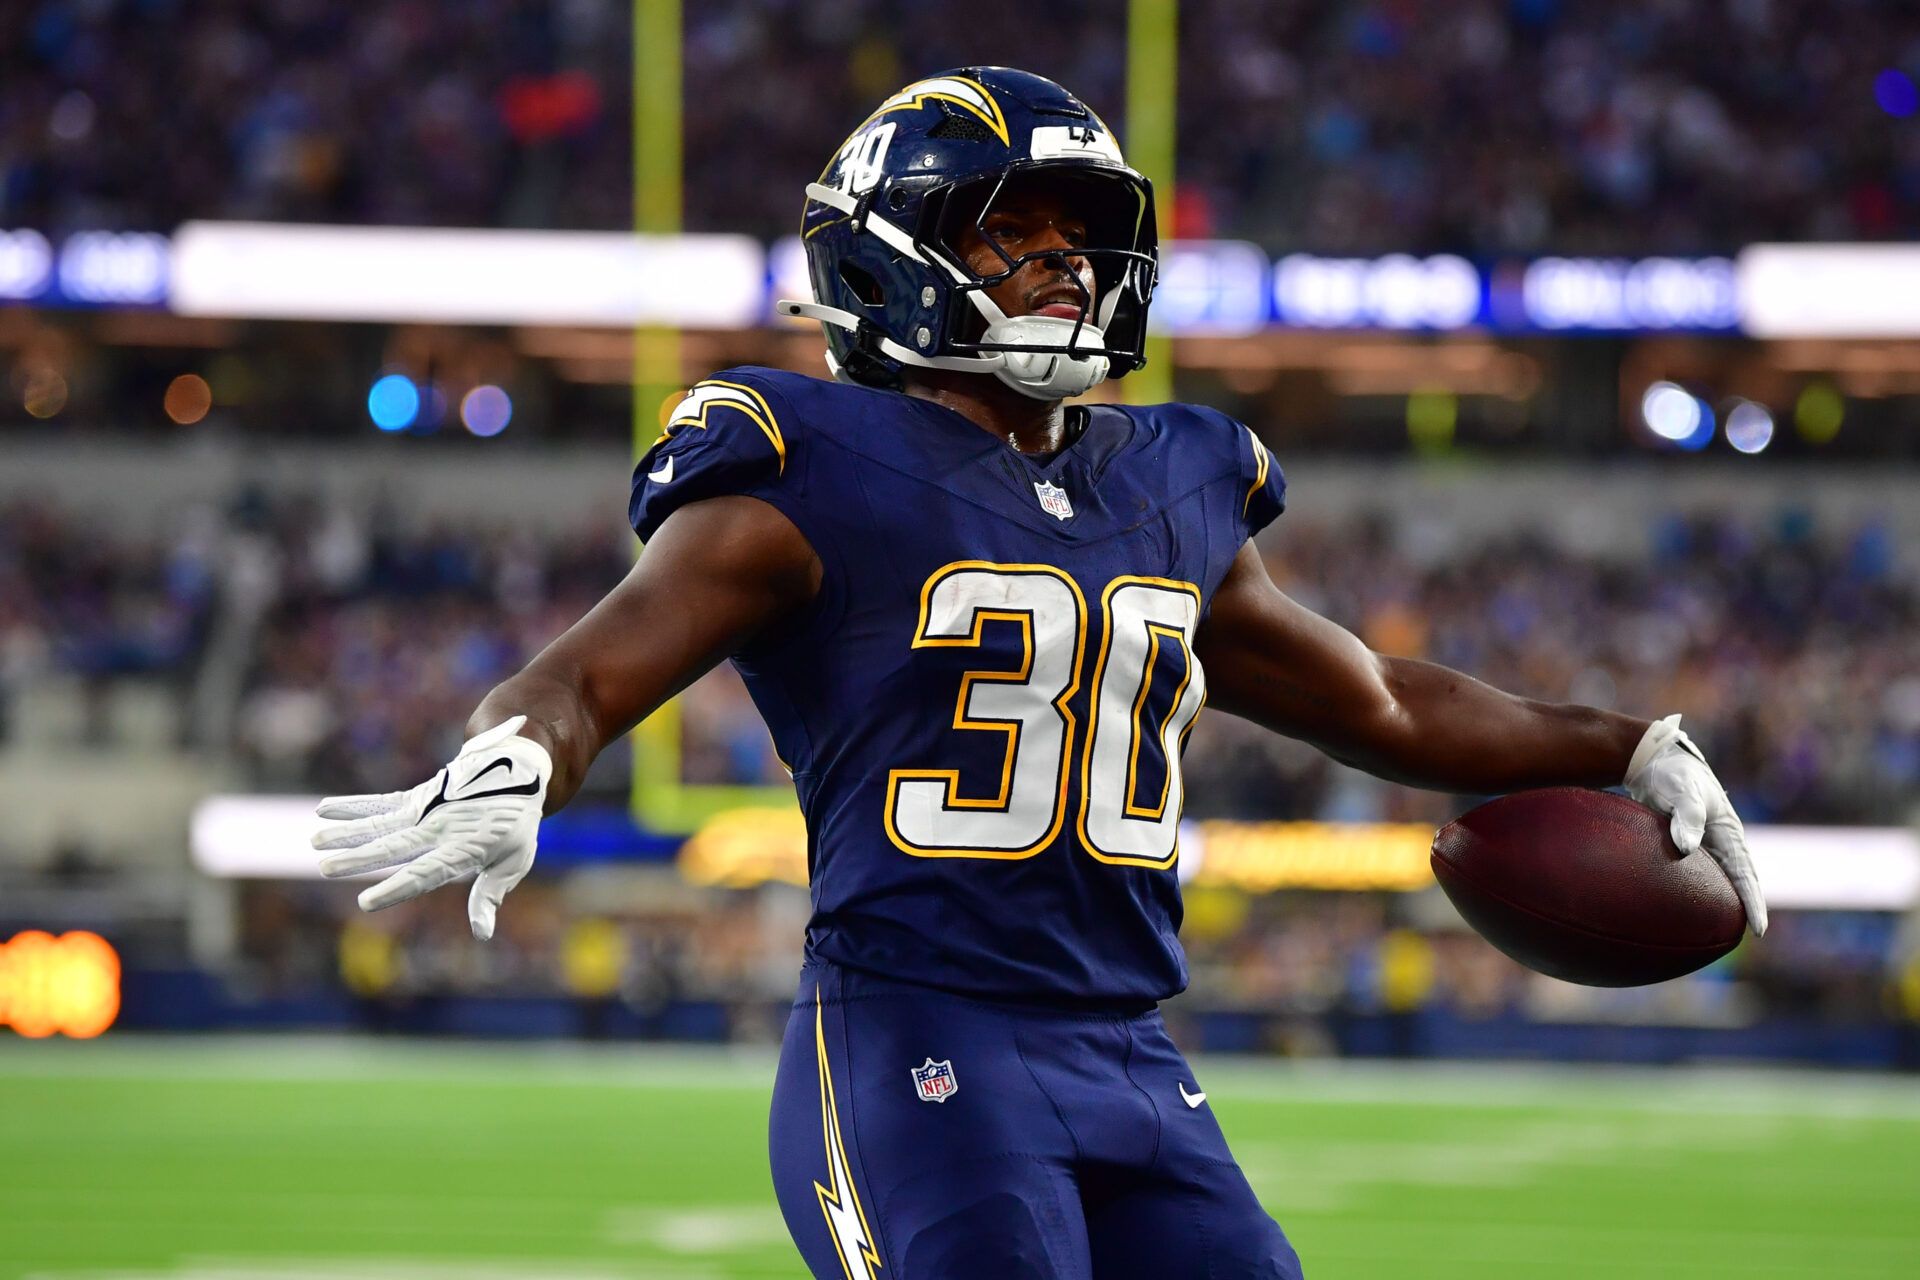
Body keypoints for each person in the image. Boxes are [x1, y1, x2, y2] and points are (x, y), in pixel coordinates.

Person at [313, 68, 1767, 1280]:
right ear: (896, 255)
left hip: (1133, 1050)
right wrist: (516, 754)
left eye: (1084, 233)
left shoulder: (1174, 480)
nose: (1068, 262)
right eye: (1018, 234)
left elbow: (1380, 703)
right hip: (914, 1041)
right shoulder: (807, 463)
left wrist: (1628, 744)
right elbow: (584, 674)